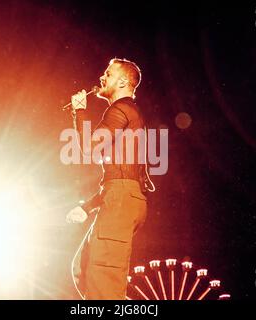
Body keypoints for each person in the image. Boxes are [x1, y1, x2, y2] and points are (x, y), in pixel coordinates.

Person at [66, 58, 152, 300]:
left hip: (122, 200)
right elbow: (118, 176)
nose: (102, 77)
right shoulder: (128, 112)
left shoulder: (121, 109)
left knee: (103, 278)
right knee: (84, 269)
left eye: (108, 73)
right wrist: (88, 206)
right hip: (121, 197)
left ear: (124, 81)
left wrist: (80, 111)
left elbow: (88, 148)